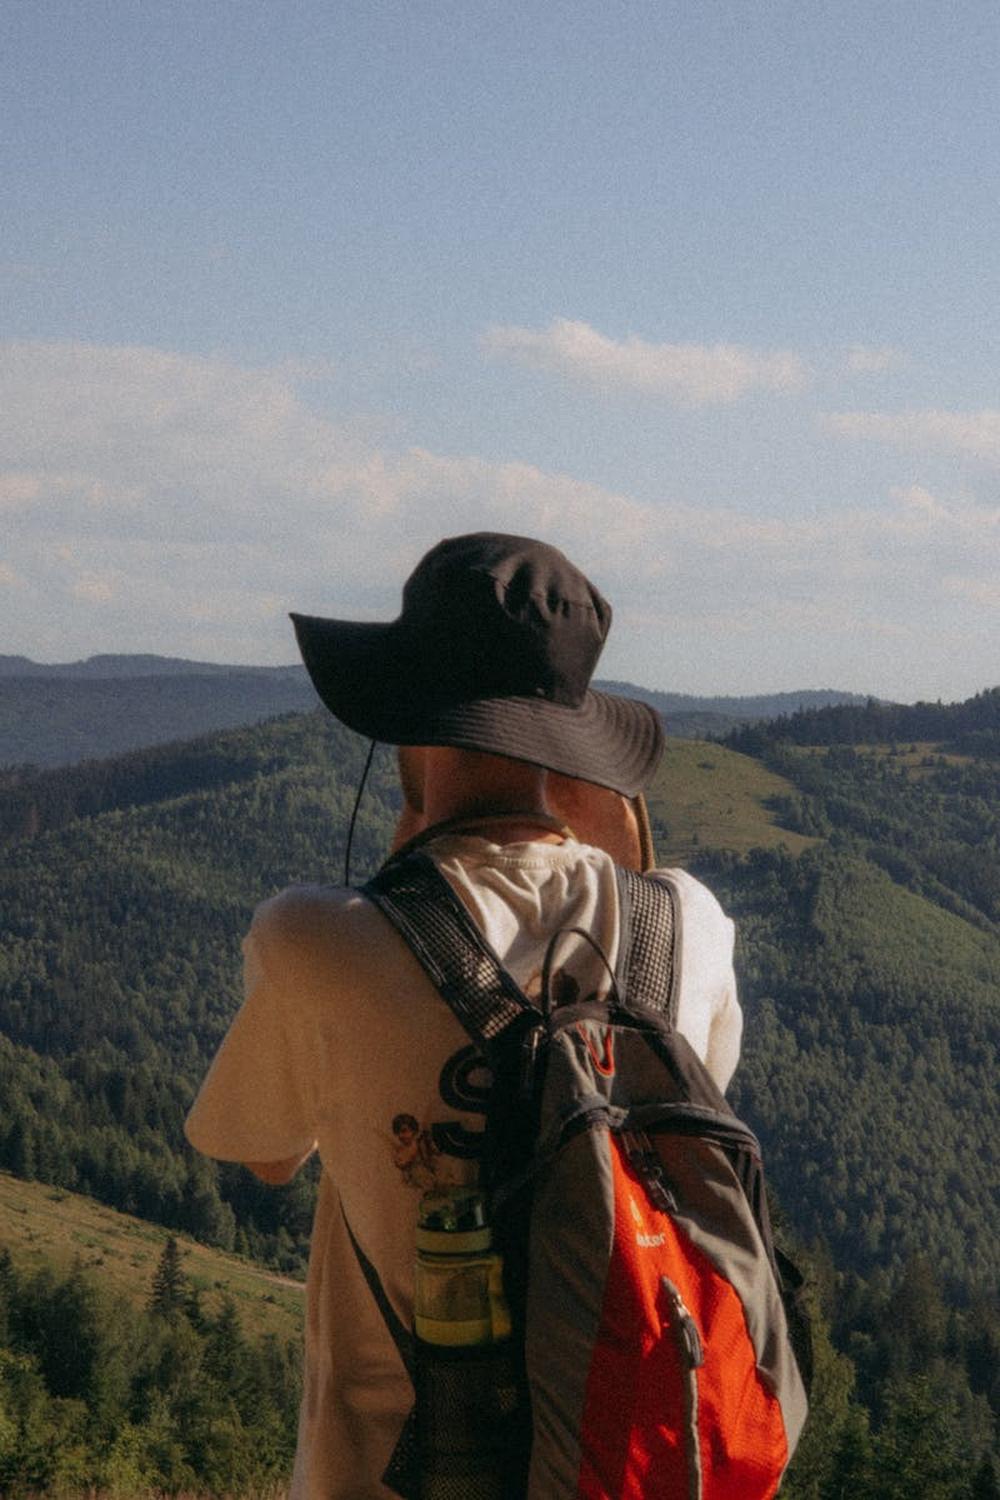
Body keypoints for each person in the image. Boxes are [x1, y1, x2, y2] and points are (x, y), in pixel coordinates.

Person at [185, 532, 741, 1500]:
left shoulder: (317, 940)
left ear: (410, 720)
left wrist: (403, 869)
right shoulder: (688, 923)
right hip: (620, 1464)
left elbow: (268, 1153)